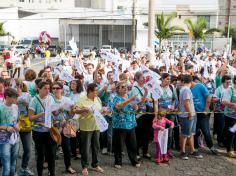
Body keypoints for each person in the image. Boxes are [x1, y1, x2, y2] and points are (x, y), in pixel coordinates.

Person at [73, 83, 104, 176]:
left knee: (96, 146)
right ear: (89, 91)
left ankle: (95, 164)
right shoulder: (82, 99)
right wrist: (83, 110)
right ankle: (85, 167)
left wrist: (104, 111)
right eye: (95, 91)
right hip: (86, 127)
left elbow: (99, 111)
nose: (97, 92)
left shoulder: (98, 99)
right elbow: (74, 110)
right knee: (85, 148)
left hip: (97, 126)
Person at [29, 81, 57, 176]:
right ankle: (40, 174)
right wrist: (41, 114)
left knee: (52, 154)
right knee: (41, 155)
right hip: (38, 132)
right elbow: (30, 118)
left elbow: (54, 113)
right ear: (39, 89)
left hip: (49, 130)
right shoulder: (34, 100)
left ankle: (52, 173)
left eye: (49, 88)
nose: (47, 90)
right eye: (45, 88)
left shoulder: (50, 98)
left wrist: (58, 110)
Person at [112, 81, 140, 168]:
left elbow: (135, 108)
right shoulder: (116, 98)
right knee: (119, 144)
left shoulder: (128, 96)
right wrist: (130, 100)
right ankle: (118, 162)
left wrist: (136, 107)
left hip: (131, 124)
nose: (125, 88)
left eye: (126, 87)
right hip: (120, 125)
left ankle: (134, 161)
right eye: (123, 87)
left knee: (132, 144)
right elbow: (119, 106)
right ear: (118, 89)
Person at [51, 82, 76, 174]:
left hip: (65, 126)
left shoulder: (67, 99)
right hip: (54, 127)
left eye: (57, 88)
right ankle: (51, 169)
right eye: (53, 88)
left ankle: (68, 166)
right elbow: (51, 113)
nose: (55, 90)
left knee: (67, 148)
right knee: (53, 149)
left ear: (61, 89)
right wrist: (58, 110)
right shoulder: (50, 99)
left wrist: (72, 110)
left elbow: (72, 114)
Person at [191, 77, 219, 155]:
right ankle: (195, 147)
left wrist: (206, 110)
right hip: (193, 114)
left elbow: (209, 97)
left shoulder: (200, 86)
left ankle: (211, 146)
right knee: (194, 131)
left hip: (203, 114)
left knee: (206, 131)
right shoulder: (187, 88)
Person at [178, 75, 202, 160]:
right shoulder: (186, 90)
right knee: (185, 134)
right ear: (191, 82)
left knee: (191, 133)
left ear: (183, 81)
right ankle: (182, 151)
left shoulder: (185, 89)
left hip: (190, 114)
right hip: (187, 115)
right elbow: (186, 103)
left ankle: (192, 150)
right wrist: (190, 114)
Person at [131, 71, 154, 159]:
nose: (144, 79)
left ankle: (145, 151)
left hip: (148, 113)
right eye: (142, 78)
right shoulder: (135, 89)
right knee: (138, 133)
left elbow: (152, 99)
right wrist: (145, 95)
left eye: (145, 78)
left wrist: (149, 98)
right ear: (137, 79)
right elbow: (140, 103)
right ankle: (136, 152)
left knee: (147, 133)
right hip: (139, 114)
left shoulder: (147, 87)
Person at [15, 79, 34, 176]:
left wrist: (20, 96)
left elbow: (29, 104)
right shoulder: (9, 95)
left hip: (25, 124)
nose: (18, 87)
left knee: (27, 149)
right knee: (14, 150)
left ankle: (24, 167)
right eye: (16, 85)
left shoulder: (27, 95)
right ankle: (13, 170)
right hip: (13, 124)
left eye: (20, 85)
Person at [0, 88, 20, 176]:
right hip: (4, 140)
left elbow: (18, 120)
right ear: (7, 97)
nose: (16, 100)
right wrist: (6, 128)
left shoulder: (15, 106)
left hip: (15, 138)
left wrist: (18, 126)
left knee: (13, 162)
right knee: (6, 166)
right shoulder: (1, 107)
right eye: (14, 98)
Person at [159, 73, 178, 156]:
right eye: (167, 79)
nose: (169, 81)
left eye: (169, 79)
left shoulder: (172, 87)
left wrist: (173, 106)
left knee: (169, 131)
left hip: (170, 113)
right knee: (160, 131)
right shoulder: (158, 87)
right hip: (160, 113)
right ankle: (160, 150)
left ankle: (167, 150)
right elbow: (154, 100)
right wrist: (160, 109)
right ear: (162, 79)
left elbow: (174, 99)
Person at [213, 75, 232, 147]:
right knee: (221, 126)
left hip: (230, 111)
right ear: (223, 82)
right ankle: (220, 140)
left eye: (230, 82)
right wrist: (221, 99)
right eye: (227, 82)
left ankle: (226, 140)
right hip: (220, 110)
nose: (229, 84)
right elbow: (214, 99)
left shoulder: (231, 89)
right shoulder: (219, 89)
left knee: (228, 127)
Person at [221, 75, 236, 158]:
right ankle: (229, 150)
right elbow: (224, 101)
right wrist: (233, 104)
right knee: (231, 133)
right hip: (231, 117)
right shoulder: (230, 90)